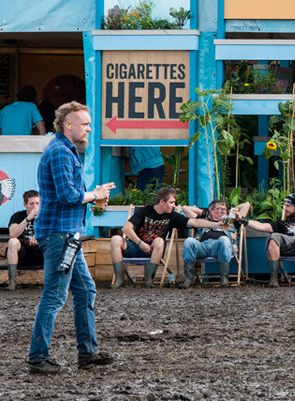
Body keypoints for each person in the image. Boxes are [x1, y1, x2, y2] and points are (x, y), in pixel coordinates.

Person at [28, 101, 116, 374]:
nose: (89, 129)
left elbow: (70, 194)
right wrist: (95, 195)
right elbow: (68, 196)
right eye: (85, 124)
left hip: (65, 234)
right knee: (55, 295)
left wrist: (93, 195)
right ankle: (38, 358)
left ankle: (88, 353)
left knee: (85, 290)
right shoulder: (60, 153)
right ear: (68, 124)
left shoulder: (63, 150)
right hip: (60, 234)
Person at [109, 186, 220, 288]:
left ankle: (149, 281)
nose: (174, 205)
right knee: (115, 239)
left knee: (159, 240)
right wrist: (140, 244)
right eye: (171, 202)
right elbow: (126, 228)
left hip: (154, 250)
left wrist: (216, 224)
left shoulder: (172, 216)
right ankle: (119, 280)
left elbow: (194, 222)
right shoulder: (144, 211)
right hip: (136, 246)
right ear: (162, 202)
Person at [240, 193, 295, 287]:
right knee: (273, 237)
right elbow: (262, 226)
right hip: (288, 245)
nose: (284, 208)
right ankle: (273, 279)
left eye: (288, 206)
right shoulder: (282, 223)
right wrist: (244, 221)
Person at [178, 199, 251, 288]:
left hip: (220, 247)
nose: (223, 211)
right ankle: (189, 280)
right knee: (189, 241)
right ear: (211, 211)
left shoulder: (230, 221)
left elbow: (246, 205)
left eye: (225, 209)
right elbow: (185, 208)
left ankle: (224, 281)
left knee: (224, 239)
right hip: (203, 247)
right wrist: (204, 213)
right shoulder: (203, 220)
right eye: (220, 209)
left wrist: (230, 211)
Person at [6, 190, 43, 290]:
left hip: (40, 253)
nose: (35, 207)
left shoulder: (45, 216)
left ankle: (55, 283)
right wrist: (28, 219)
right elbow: (13, 234)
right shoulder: (18, 216)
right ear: (25, 205)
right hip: (23, 254)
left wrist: (40, 236)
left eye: (37, 203)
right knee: (12, 242)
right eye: (31, 204)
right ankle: (12, 282)